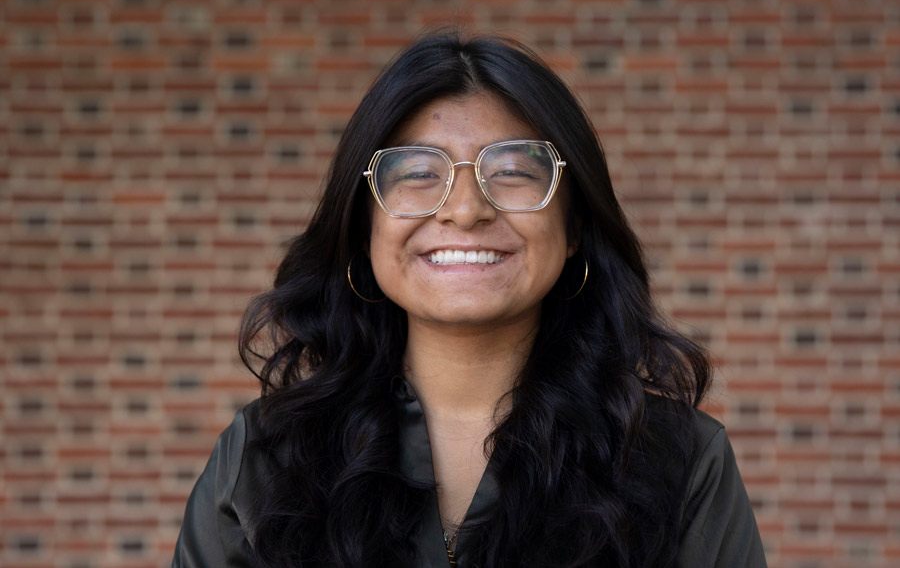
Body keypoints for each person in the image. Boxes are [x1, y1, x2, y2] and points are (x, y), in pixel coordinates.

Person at [173, 32, 767, 567]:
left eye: (511, 170)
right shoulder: (262, 462)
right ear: (363, 228)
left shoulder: (681, 461)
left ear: (575, 227)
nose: (464, 208)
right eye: (417, 173)